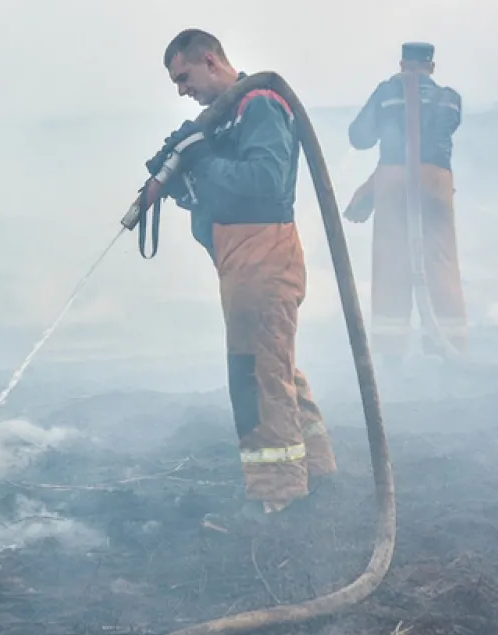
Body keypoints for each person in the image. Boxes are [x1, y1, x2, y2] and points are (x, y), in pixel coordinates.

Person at [142, 28, 337, 530]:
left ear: (210, 60)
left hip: (263, 256)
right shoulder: (230, 117)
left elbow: (264, 181)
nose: (182, 90)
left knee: (256, 372)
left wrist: (203, 159)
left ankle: (278, 495)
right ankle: (315, 466)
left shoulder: (260, 104)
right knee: (275, 364)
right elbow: (226, 193)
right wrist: (186, 188)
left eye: (183, 77)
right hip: (242, 258)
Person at [344, 42, 467, 365]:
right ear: (432, 67)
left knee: (392, 261)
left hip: (394, 183)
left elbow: (359, 137)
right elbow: (443, 132)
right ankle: (446, 346)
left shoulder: (386, 93)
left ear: (401, 63)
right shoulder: (450, 99)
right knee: (440, 258)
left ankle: (392, 354)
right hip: (437, 184)